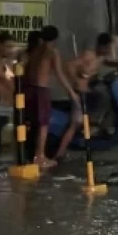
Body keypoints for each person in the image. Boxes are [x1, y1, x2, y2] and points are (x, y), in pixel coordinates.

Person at [51, 34, 118, 161]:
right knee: (75, 123)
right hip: (79, 93)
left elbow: (108, 61)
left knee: (104, 95)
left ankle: (96, 125)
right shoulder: (89, 55)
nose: (108, 51)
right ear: (101, 46)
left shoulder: (101, 57)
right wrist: (77, 78)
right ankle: (60, 153)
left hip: (88, 93)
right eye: (107, 48)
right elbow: (69, 65)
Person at [24, 25, 78, 168]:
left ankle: (32, 154)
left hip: (29, 90)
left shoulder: (35, 51)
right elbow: (60, 74)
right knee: (43, 124)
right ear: (55, 38)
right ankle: (40, 157)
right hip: (41, 91)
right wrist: (71, 92)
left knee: (34, 123)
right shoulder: (52, 52)